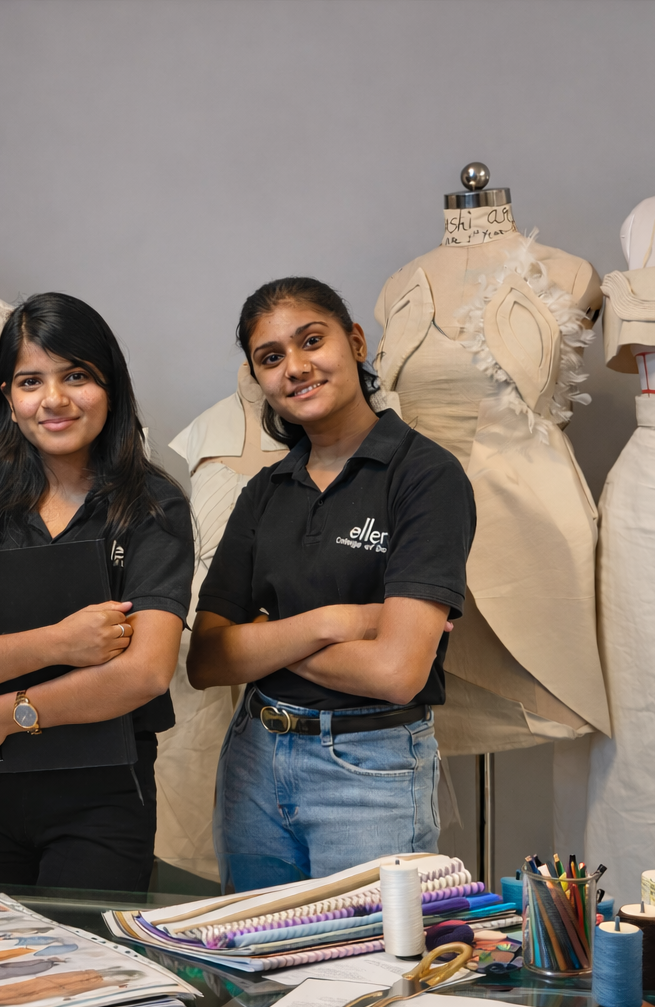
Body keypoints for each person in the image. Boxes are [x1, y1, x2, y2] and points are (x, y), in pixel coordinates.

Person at [186, 277, 475, 893]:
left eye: (310, 341)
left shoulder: (426, 477)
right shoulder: (265, 491)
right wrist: (334, 622)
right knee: (257, 967)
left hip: (369, 769)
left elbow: (398, 672)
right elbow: (208, 658)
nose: (295, 367)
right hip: (254, 763)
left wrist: (265, 640)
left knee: (370, 976)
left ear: (356, 342)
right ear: (258, 378)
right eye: (271, 358)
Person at [0, 292, 193, 892]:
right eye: (30, 381)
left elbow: (143, 673)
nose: (55, 400)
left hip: (104, 797)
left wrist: (9, 715)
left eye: (76, 376)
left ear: (110, 386)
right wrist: (60, 642)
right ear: (8, 401)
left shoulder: (150, 506)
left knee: (89, 978)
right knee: (11, 971)